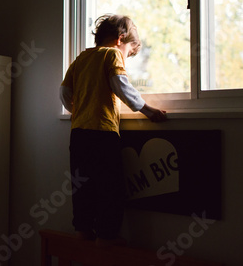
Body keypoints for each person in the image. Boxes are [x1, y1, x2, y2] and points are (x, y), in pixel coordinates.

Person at [60, 14, 167, 247]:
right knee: (110, 186)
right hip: (102, 132)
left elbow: (65, 93)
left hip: (79, 133)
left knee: (82, 186)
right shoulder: (112, 54)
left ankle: (83, 231)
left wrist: (78, 110)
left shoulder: (81, 59)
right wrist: (148, 111)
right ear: (120, 40)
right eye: (129, 52)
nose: (126, 57)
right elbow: (121, 85)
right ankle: (107, 236)